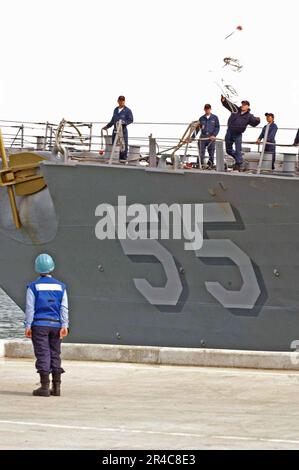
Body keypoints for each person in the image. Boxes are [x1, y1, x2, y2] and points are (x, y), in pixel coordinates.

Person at [25, 254, 69, 397]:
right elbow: (64, 308)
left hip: (39, 325)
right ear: (52, 267)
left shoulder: (33, 287)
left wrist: (28, 326)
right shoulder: (61, 287)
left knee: (43, 353)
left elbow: (30, 308)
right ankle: (57, 388)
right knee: (55, 353)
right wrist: (65, 325)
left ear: (37, 268)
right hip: (56, 325)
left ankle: (44, 387)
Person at [221, 95, 260, 171]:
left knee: (238, 150)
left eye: (244, 105)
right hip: (229, 132)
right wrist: (224, 100)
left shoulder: (249, 116)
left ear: (248, 107)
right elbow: (229, 105)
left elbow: (254, 123)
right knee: (228, 150)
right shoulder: (235, 109)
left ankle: (238, 164)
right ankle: (239, 159)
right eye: (242, 104)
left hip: (238, 134)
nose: (243, 106)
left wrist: (258, 120)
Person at [102, 96, 134, 161]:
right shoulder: (116, 109)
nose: (121, 102)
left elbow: (131, 120)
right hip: (115, 130)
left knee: (123, 145)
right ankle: (115, 158)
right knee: (115, 144)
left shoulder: (128, 110)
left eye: (123, 101)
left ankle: (123, 159)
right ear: (118, 101)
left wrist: (123, 122)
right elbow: (113, 120)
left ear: (124, 101)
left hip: (123, 131)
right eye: (120, 100)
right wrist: (107, 126)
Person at [193, 104, 220, 168]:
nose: (207, 110)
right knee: (201, 151)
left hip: (211, 137)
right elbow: (197, 129)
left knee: (211, 151)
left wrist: (214, 135)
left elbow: (217, 127)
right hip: (203, 137)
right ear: (204, 109)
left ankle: (210, 164)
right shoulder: (201, 118)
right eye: (206, 109)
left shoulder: (215, 118)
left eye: (208, 109)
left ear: (210, 109)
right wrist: (192, 138)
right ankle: (199, 164)